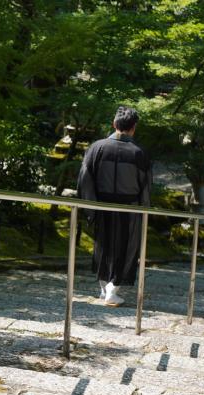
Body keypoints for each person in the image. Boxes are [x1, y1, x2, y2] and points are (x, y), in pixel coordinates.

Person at [77, 106, 151, 306]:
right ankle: (113, 288)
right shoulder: (139, 153)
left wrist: (90, 207)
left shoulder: (97, 148)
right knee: (126, 247)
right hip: (129, 208)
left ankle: (104, 289)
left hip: (102, 205)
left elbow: (85, 179)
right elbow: (145, 186)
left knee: (102, 245)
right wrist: (144, 209)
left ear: (114, 124)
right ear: (133, 127)